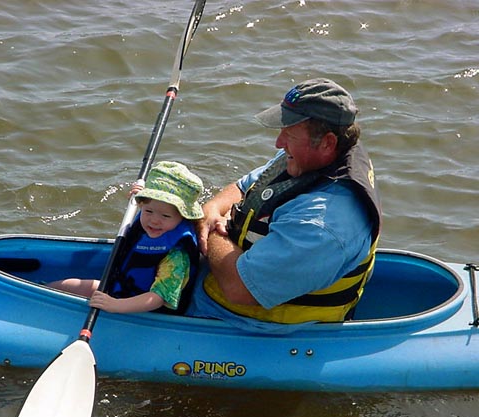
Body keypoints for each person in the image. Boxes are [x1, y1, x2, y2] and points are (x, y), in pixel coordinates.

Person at [188, 78, 382, 329]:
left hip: (249, 328)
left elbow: (239, 289)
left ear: (328, 142)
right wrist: (211, 210)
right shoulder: (308, 158)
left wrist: (214, 231)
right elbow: (243, 187)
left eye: (288, 134)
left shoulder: (322, 225)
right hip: (215, 289)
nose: (278, 143)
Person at [48, 161, 204, 315]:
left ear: (183, 217)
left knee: (89, 289)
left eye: (165, 215)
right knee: (73, 285)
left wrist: (115, 305)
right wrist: (139, 193)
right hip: (124, 288)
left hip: (145, 309)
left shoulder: (176, 256)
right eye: (148, 211)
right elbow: (146, 203)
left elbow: (159, 298)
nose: (154, 220)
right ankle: (43, 290)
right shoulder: (154, 217)